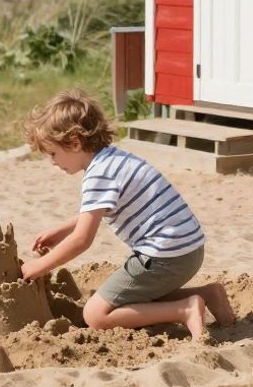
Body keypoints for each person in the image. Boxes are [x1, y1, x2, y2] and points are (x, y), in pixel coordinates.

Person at [19, 90, 235, 341]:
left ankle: (184, 310)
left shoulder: (98, 175)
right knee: (137, 296)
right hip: (189, 250)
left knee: (96, 314)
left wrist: (40, 266)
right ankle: (209, 295)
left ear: (75, 143)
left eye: (53, 153)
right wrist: (61, 230)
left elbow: (82, 240)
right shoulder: (114, 158)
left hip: (163, 256)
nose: (52, 162)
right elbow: (98, 210)